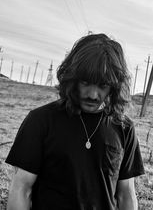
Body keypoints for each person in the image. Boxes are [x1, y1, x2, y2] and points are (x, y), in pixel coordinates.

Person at [6, 33, 144, 210]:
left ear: (115, 86)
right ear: (72, 78)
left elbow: (126, 194)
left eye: (103, 85)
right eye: (86, 82)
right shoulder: (41, 120)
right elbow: (21, 189)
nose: (93, 95)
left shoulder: (124, 128)